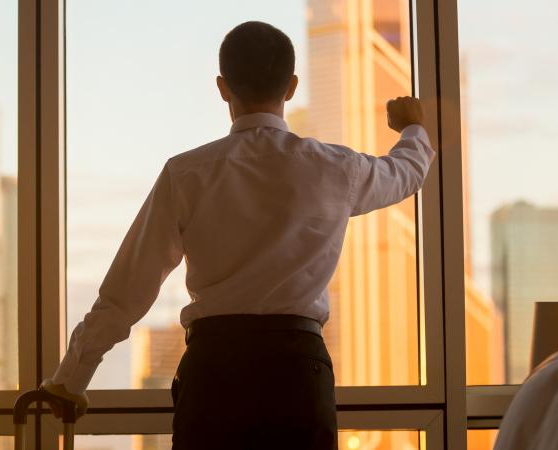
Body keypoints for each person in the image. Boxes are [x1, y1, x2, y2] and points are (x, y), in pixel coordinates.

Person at [41, 20, 434, 450]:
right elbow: (405, 174)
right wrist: (413, 129)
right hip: (299, 374)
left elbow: (126, 292)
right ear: (292, 86)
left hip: (215, 374)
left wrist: (70, 380)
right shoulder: (334, 168)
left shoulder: (187, 173)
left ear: (222, 87)